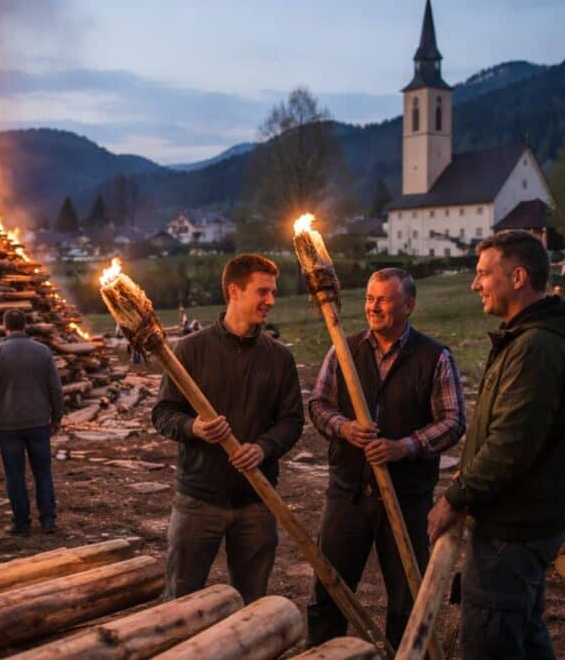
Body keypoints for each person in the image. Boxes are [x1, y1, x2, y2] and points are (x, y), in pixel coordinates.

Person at [428, 230, 565, 659]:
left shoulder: (536, 348)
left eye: (484, 273)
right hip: (521, 523)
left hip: (513, 529)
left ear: (517, 277)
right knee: (525, 633)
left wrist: (456, 496)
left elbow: (510, 444)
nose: (474, 284)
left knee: (493, 642)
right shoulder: (528, 339)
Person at [306, 268, 466, 650]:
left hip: (407, 498)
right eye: (369, 298)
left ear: (408, 305)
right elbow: (318, 405)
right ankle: (323, 654)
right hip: (349, 494)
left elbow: (453, 421)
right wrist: (344, 428)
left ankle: (403, 655)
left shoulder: (434, 356)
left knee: (407, 598)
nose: (373, 307)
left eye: (384, 299)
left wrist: (405, 446)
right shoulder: (343, 349)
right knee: (329, 592)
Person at [152, 253, 304, 604]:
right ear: (235, 291)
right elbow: (163, 413)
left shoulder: (279, 357)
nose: (271, 300)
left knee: (252, 604)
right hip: (198, 499)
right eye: (263, 291)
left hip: (257, 499)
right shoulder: (189, 351)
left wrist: (263, 448)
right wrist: (193, 427)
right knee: (181, 601)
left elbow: (292, 420)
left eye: (273, 292)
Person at [0, 309, 64, 536]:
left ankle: (21, 523)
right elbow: (55, 387)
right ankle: (48, 520)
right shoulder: (42, 351)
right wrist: (57, 417)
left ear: (4, 326)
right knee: (43, 472)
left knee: (14, 475)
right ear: (25, 325)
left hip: (8, 425)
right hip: (38, 422)